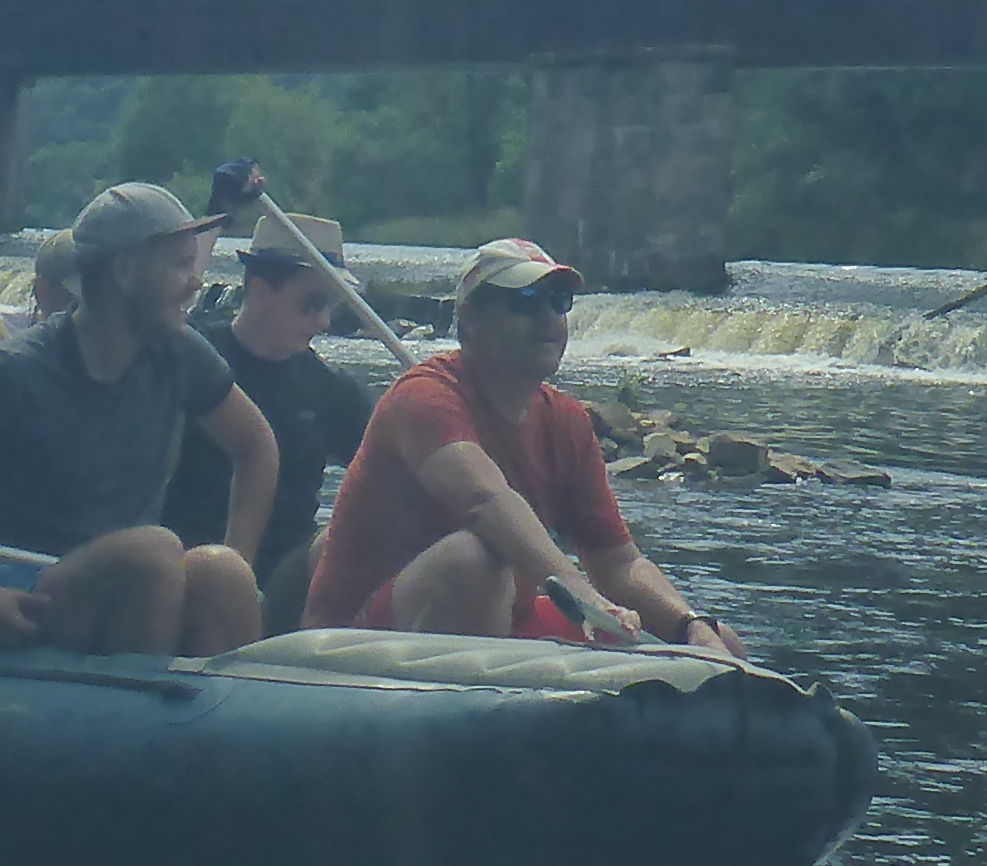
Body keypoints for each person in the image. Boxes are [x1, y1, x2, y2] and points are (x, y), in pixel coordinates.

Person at [0, 181, 278, 657]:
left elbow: (255, 445)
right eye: (180, 265)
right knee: (151, 554)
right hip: (26, 590)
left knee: (223, 572)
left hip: (140, 586)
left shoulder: (181, 352)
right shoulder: (13, 370)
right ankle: (132, 696)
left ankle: (194, 696)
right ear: (124, 272)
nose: (196, 282)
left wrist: (241, 554)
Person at [302, 236, 746, 658]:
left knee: (718, 641)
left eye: (559, 301)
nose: (548, 317)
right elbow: (484, 500)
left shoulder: (566, 421)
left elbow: (617, 564)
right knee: (473, 561)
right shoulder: (422, 397)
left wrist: (690, 625)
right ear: (470, 320)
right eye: (526, 301)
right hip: (357, 637)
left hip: (502, 622)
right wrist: (579, 590)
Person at [160, 207, 375, 635]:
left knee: (336, 545)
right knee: (213, 572)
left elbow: (391, 474)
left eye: (331, 305)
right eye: (313, 303)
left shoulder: (332, 390)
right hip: (190, 570)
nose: (324, 321)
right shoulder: (192, 358)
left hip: (286, 583)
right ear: (260, 291)